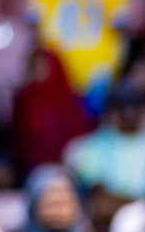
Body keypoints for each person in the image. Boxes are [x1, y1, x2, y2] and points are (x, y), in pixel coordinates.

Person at [26, 0, 132, 115]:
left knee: (56, 128)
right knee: (86, 130)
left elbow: (34, 19)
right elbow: (120, 23)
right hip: (96, 67)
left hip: (55, 64)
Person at [63, 84, 145, 225]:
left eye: (136, 107)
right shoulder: (95, 144)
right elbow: (98, 195)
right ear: (113, 110)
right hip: (108, 218)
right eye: (123, 107)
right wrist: (138, 204)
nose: (130, 113)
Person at [11, 50, 95, 181]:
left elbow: (80, 135)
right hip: (33, 170)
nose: (39, 71)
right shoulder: (24, 99)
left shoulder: (68, 100)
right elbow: (19, 137)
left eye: (43, 66)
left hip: (68, 169)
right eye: (35, 66)